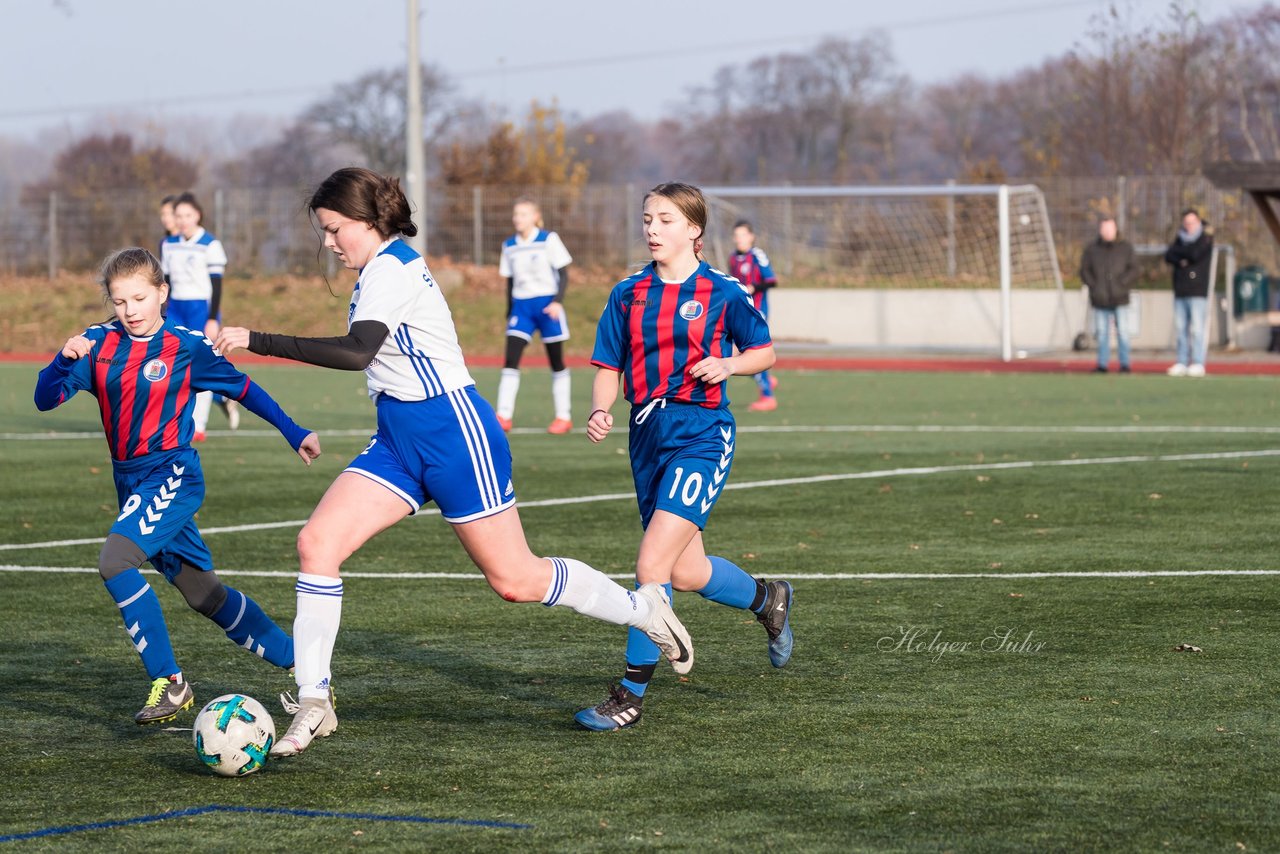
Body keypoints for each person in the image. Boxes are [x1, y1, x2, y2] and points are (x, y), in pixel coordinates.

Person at [213, 167, 693, 757]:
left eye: (336, 230)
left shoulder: (391, 267)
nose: (331, 242)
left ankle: (643, 609)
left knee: (515, 580)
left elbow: (356, 351)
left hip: (454, 432)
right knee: (318, 543)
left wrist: (257, 340)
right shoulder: (375, 268)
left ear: (367, 222)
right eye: (325, 233)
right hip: (398, 436)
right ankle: (314, 700)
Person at [33, 247, 321, 725]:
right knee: (203, 594)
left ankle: (170, 683)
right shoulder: (97, 345)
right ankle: (309, 668)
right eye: (119, 300)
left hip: (172, 474)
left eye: (139, 298)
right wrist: (62, 360)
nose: (129, 310)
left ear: (162, 293)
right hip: (130, 481)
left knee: (115, 561)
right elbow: (45, 399)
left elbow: (244, 389)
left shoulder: (186, 346)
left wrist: (294, 431)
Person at [574, 182, 794, 732]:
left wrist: (728, 366)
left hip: (701, 432)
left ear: (694, 230)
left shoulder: (723, 290)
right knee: (689, 571)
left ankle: (629, 693)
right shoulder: (628, 292)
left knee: (652, 566)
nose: (652, 229)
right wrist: (601, 409)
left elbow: (764, 350)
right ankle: (768, 599)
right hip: (646, 432)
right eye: (647, 219)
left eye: (666, 220)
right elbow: (608, 364)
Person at [161, 192, 239, 438]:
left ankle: (199, 426)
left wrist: (213, 318)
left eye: (188, 215)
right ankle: (176, 418)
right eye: (178, 215)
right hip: (174, 307)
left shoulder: (210, 244)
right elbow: (166, 281)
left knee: (200, 364)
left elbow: (217, 285)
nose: (183, 220)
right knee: (172, 365)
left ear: (198, 216)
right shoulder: (169, 244)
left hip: (200, 310)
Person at [494, 198, 575, 433]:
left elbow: (564, 273)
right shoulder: (509, 245)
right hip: (522, 308)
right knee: (511, 359)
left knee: (556, 361)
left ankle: (563, 417)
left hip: (548, 304)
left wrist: (558, 302)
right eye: (515, 214)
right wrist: (509, 311)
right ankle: (503, 416)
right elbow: (509, 281)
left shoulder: (548, 239)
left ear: (535, 216)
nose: (517, 218)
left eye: (523, 214)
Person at [725, 220, 780, 410]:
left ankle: (767, 397)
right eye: (736, 235)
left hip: (757, 311)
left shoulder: (757, 255)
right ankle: (765, 380)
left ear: (751, 236)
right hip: (740, 312)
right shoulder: (733, 258)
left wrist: (753, 287)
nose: (739, 239)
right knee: (741, 353)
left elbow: (772, 281)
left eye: (743, 235)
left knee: (750, 352)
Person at [1079, 217, 1138, 373]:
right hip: (1100, 298)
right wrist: (1094, 286)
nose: (1107, 232)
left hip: (1120, 298)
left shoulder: (1125, 247)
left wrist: (1122, 283)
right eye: (1104, 229)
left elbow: (1134, 269)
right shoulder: (1092, 249)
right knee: (1102, 333)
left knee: (1124, 332)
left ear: (1115, 229)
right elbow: (1084, 270)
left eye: (1110, 228)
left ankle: (1125, 364)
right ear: (1100, 230)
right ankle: (1102, 364)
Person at [1163, 209, 1214, 377]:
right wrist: (1182, 258)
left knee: (1197, 330)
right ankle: (1182, 361)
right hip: (1180, 289)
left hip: (1198, 290)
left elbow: (1195, 254)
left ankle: (1198, 362)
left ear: (1198, 222)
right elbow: (1169, 255)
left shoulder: (1205, 238)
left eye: (1192, 222)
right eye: (1186, 223)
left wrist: (1183, 257)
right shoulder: (1179, 238)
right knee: (1181, 329)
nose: (1189, 226)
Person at [158, 194, 178, 259]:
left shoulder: (187, 241)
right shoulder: (163, 242)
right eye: (163, 214)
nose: (166, 218)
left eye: (170, 213)